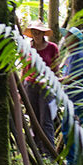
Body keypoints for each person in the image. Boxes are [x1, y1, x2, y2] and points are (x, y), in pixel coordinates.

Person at [60, 26, 83, 165]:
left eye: (68, 36)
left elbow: (72, 78)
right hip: (71, 99)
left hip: (80, 98)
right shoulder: (70, 56)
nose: (65, 39)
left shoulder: (80, 55)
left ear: (75, 40)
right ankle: (72, 159)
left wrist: (55, 80)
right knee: (67, 128)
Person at [23, 20, 58, 155]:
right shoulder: (27, 48)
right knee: (34, 119)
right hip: (30, 86)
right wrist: (21, 91)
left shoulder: (52, 48)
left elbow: (55, 69)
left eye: (39, 32)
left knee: (46, 120)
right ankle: (37, 151)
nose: (36, 35)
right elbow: (24, 69)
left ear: (43, 33)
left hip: (47, 86)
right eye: (34, 32)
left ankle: (49, 152)